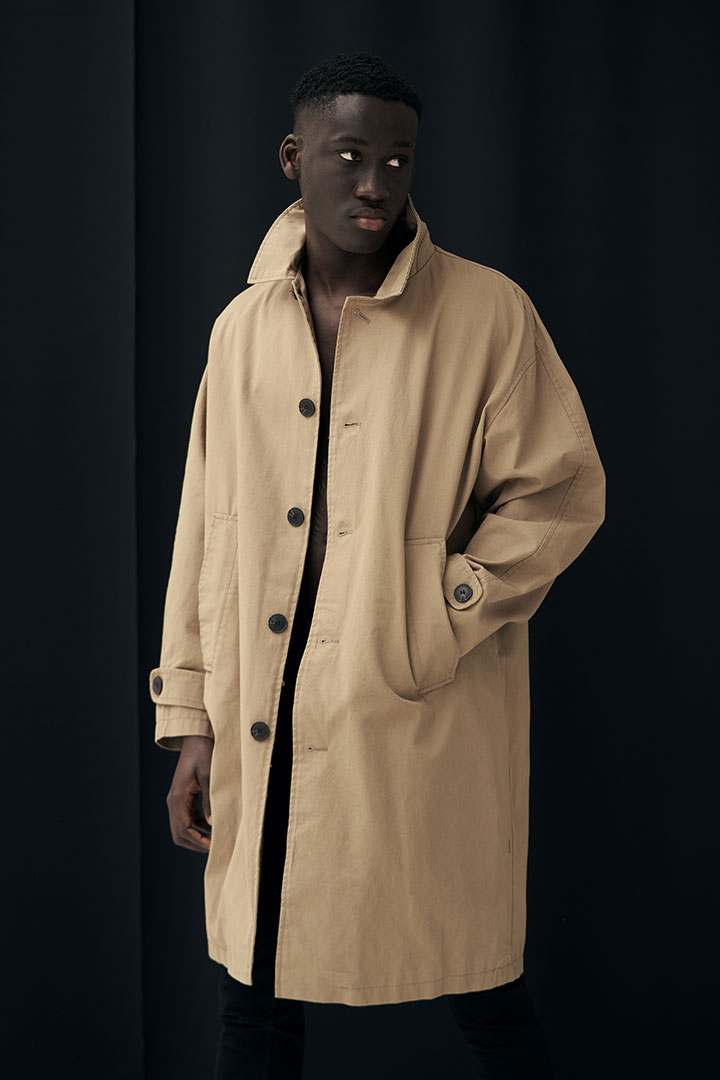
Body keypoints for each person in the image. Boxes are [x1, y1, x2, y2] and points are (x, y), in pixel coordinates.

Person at [149, 50, 606, 1079]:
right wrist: (193, 721)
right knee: (253, 994)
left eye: (398, 159)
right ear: (292, 157)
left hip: (415, 715)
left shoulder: (487, 313)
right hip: (265, 720)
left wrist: (439, 606)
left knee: (479, 983)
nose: (375, 181)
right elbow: (205, 533)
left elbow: (561, 491)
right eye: (349, 154)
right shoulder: (240, 329)